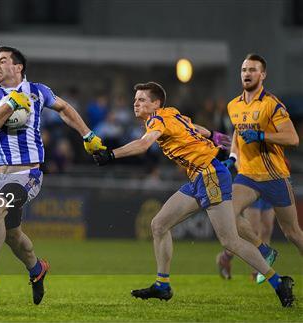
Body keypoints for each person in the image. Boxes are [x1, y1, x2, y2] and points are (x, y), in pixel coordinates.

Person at [93, 81, 294, 307]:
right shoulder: (171, 114)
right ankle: (162, 285)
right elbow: (195, 128)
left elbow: (143, 145)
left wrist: (110, 155)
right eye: (135, 100)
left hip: (209, 174)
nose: (135, 104)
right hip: (200, 176)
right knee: (159, 224)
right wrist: (224, 141)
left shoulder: (158, 119)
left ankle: (278, 282)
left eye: (141, 100)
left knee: (230, 240)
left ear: (156, 104)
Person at [0, 46, 105, 305]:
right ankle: (36, 268)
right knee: (12, 234)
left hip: (27, 174)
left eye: (3, 61)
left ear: (18, 67)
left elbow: (64, 108)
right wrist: (8, 108)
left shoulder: (38, 91)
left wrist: (88, 135)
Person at [215, 53, 303, 284]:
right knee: (226, 214)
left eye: (253, 70)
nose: (247, 73)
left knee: (293, 233)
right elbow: (237, 134)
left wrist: (262, 135)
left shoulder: (272, 105)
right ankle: (264, 250)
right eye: (244, 69)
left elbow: (293, 138)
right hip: (247, 176)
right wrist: (233, 157)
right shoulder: (233, 105)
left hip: (274, 176)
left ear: (262, 75)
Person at [217, 198, 275, 280]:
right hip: (252, 188)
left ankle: (225, 257)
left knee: (266, 229)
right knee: (252, 232)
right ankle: (257, 271)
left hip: (268, 188)